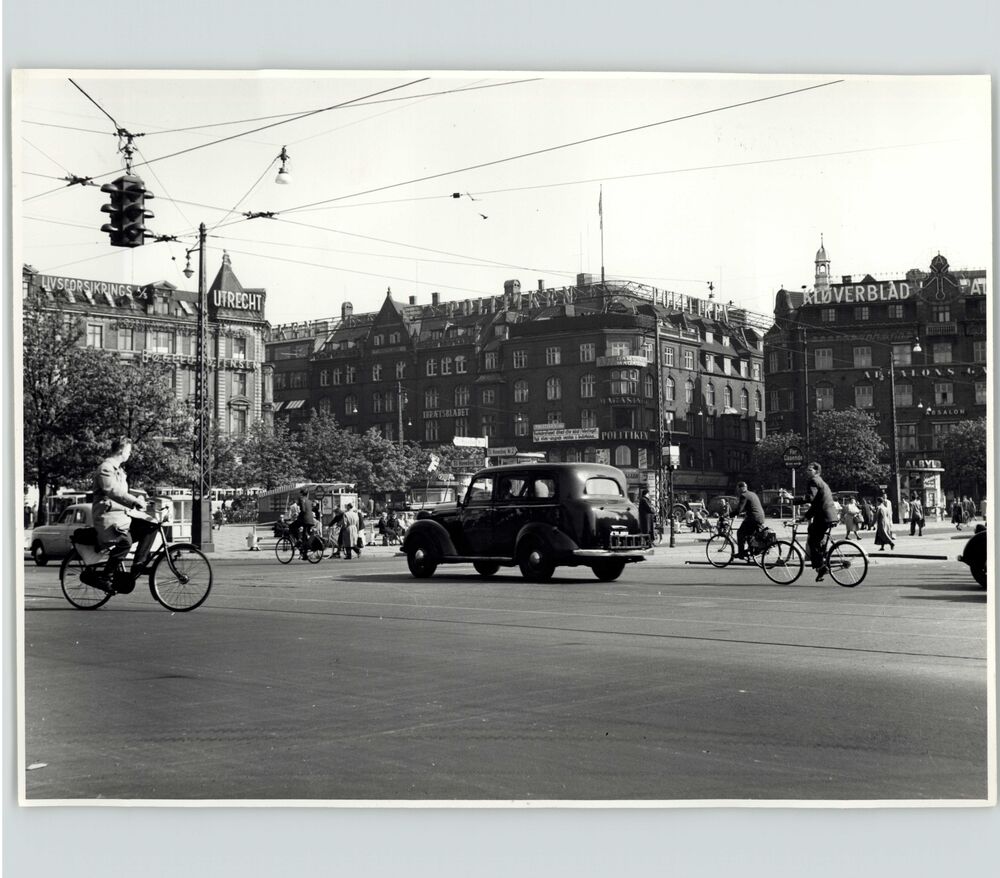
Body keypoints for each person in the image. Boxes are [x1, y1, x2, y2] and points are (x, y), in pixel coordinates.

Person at [92, 437, 158, 591]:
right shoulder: (105, 468)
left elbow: (123, 493)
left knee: (151, 526)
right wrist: (134, 501)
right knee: (125, 542)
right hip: (108, 518)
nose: (130, 453)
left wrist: (141, 498)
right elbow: (113, 491)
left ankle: (138, 564)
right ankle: (105, 576)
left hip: (121, 517)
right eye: (129, 450)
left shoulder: (119, 470)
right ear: (121, 450)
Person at [802, 461, 838, 581]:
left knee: (812, 540)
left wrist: (793, 499)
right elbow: (817, 503)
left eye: (810, 469)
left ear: (816, 471)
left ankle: (821, 566)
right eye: (807, 469)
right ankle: (822, 557)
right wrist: (806, 516)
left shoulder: (813, 481)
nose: (807, 471)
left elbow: (811, 498)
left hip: (823, 516)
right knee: (814, 533)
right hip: (830, 515)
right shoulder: (821, 481)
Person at [733, 481, 765, 559]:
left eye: (738, 489)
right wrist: (745, 513)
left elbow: (739, 510)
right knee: (749, 535)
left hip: (753, 518)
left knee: (740, 533)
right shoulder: (753, 494)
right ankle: (750, 550)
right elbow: (752, 507)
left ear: (741, 488)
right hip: (760, 517)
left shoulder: (744, 496)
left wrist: (730, 514)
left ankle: (741, 553)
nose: (737, 491)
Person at [289, 490, 317, 557]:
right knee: (305, 536)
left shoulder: (301, 499)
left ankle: (298, 540)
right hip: (311, 521)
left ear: (301, 494)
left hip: (304, 520)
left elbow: (303, 510)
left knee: (292, 526)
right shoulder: (309, 501)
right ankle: (304, 553)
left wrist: (298, 516)